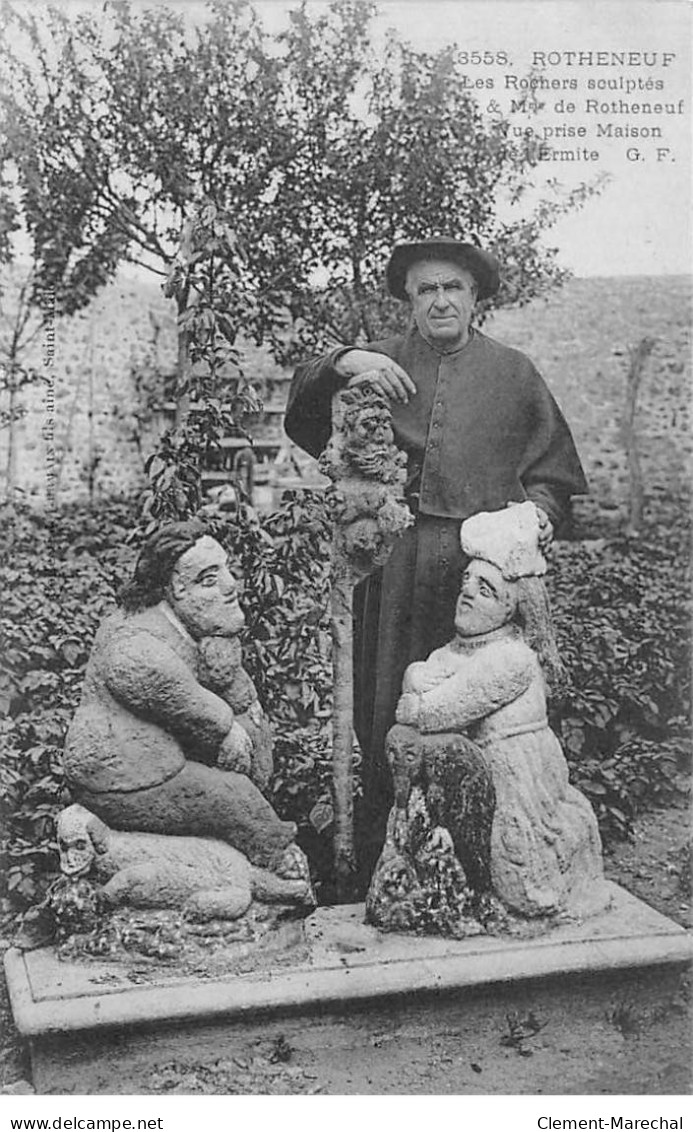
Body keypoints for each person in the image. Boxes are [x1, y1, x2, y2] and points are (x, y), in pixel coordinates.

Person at [285, 235, 588, 868]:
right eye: (427, 289)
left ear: (475, 296)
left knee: (477, 711)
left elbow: (554, 478)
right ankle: (378, 857)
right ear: (409, 300)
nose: (441, 300)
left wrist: (533, 520)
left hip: (479, 571)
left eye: (453, 287)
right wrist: (344, 360)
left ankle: (478, 859)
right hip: (394, 558)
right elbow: (303, 413)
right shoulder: (379, 362)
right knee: (387, 702)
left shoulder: (514, 372)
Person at [368, 502, 609, 925]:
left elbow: (444, 705)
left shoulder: (512, 659)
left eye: (486, 590)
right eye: (467, 581)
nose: (467, 593)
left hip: (514, 774)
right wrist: (419, 689)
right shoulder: (463, 647)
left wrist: (420, 700)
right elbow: (421, 677)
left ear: (511, 608)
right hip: (474, 770)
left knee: (511, 866)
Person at [63, 520, 301, 877]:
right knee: (233, 798)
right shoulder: (134, 635)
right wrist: (224, 726)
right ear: (175, 590)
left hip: (163, 760)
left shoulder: (189, 628)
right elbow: (149, 677)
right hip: (125, 776)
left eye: (225, 568)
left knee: (235, 788)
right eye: (209, 579)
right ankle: (278, 862)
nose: (230, 585)